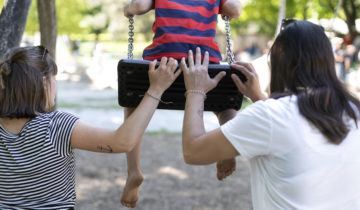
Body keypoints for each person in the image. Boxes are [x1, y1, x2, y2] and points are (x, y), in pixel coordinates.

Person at [180, 20, 360, 209]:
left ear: (279, 58)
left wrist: (195, 91)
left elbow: (193, 151)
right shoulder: (352, 109)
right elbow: (291, 131)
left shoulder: (272, 116)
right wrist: (258, 97)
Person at [0, 46, 180, 209]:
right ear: (44, 82)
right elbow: (122, 142)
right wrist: (156, 90)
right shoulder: (55, 126)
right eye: (55, 78)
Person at [122, 1, 242, 205]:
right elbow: (235, 9)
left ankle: (134, 170)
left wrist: (128, 9)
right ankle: (227, 148)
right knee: (225, 107)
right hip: (203, 63)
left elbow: (140, 6)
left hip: (163, 64)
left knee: (133, 104)